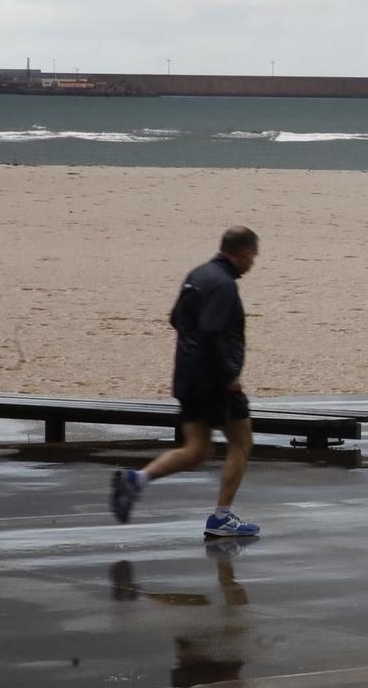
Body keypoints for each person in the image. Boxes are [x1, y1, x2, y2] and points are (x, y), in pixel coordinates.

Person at [110, 226, 262, 539]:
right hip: (216, 381)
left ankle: (136, 479)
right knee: (242, 443)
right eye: (253, 256)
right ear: (244, 253)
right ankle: (221, 517)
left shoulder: (197, 275)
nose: (253, 263)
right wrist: (230, 373)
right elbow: (213, 331)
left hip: (187, 375)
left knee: (197, 449)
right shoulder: (223, 286)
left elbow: (176, 319)